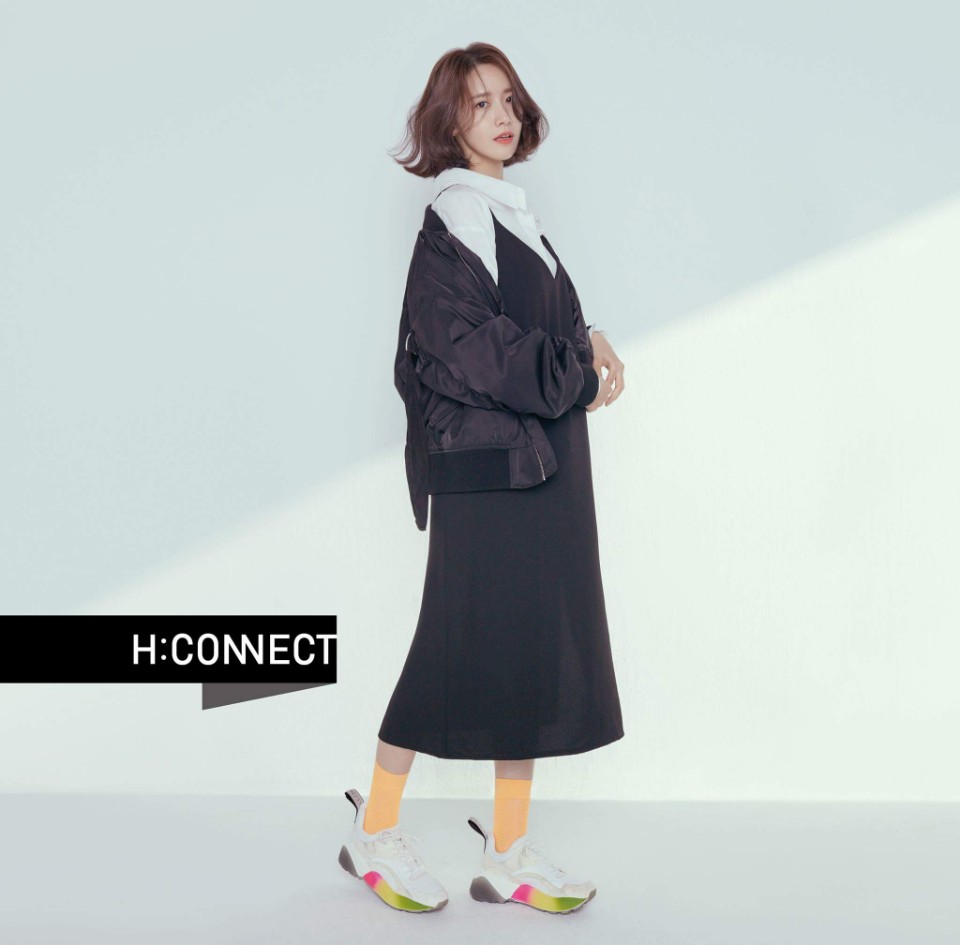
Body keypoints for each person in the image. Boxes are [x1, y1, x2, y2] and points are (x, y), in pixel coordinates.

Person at [339, 42, 627, 915]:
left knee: (529, 653)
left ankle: (507, 851)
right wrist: (576, 373)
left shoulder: (511, 211)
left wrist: (589, 337)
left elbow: (545, 318)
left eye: (508, 99)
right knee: (449, 648)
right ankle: (374, 828)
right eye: (479, 104)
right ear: (449, 121)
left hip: (539, 467)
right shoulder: (459, 212)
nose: (501, 115)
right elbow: (470, 348)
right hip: (492, 475)